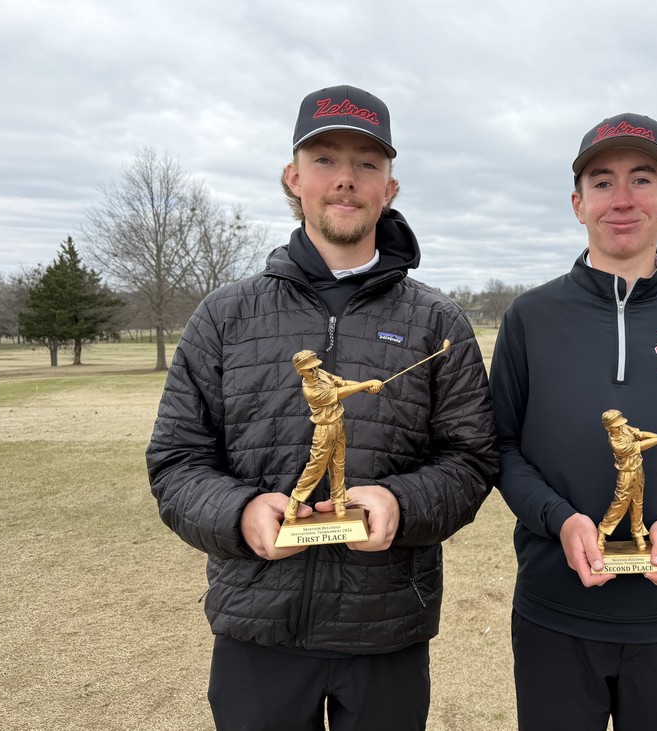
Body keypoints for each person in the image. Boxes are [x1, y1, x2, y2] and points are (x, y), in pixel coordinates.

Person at [148, 84, 497, 731]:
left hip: (386, 629)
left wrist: (401, 503)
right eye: (326, 159)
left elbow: (472, 461)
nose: (346, 179)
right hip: (258, 631)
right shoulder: (226, 316)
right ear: (294, 177)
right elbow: (176, 462)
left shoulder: (436, 322)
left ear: (389, 186)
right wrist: (241, 512)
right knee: (321, 471)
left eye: (367, 163)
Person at [490, 112, 657, 731]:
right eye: (602, 181)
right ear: (577, 202)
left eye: (641, 179)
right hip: (552, 611)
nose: (621, 198)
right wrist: (560, 521)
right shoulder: (530, 318)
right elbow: (501, 446)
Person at [284, 350, 383, 524]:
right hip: (324, 430)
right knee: (316, 467)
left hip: (339, 424)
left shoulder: (321, 373)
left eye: (315, 367)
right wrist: (366, 383)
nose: (314, 372)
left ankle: (338, 502)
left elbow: (342, 383)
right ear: (300, 372)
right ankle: (295, 500)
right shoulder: (310, 391)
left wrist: (366, 388)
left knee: (338, 465)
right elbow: (339, 394)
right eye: (309, 370)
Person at [596, 409, 657, 553]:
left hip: (638, 471)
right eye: (616, 425)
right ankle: (602, 532)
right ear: (607, 428)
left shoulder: (624, 428)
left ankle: (637, 534)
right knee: (619, 505)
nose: (620, 427)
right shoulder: (616, 443)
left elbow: (640, 435)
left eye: (621, 423)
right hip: (626, 475)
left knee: (637, 503)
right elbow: (640, 446)